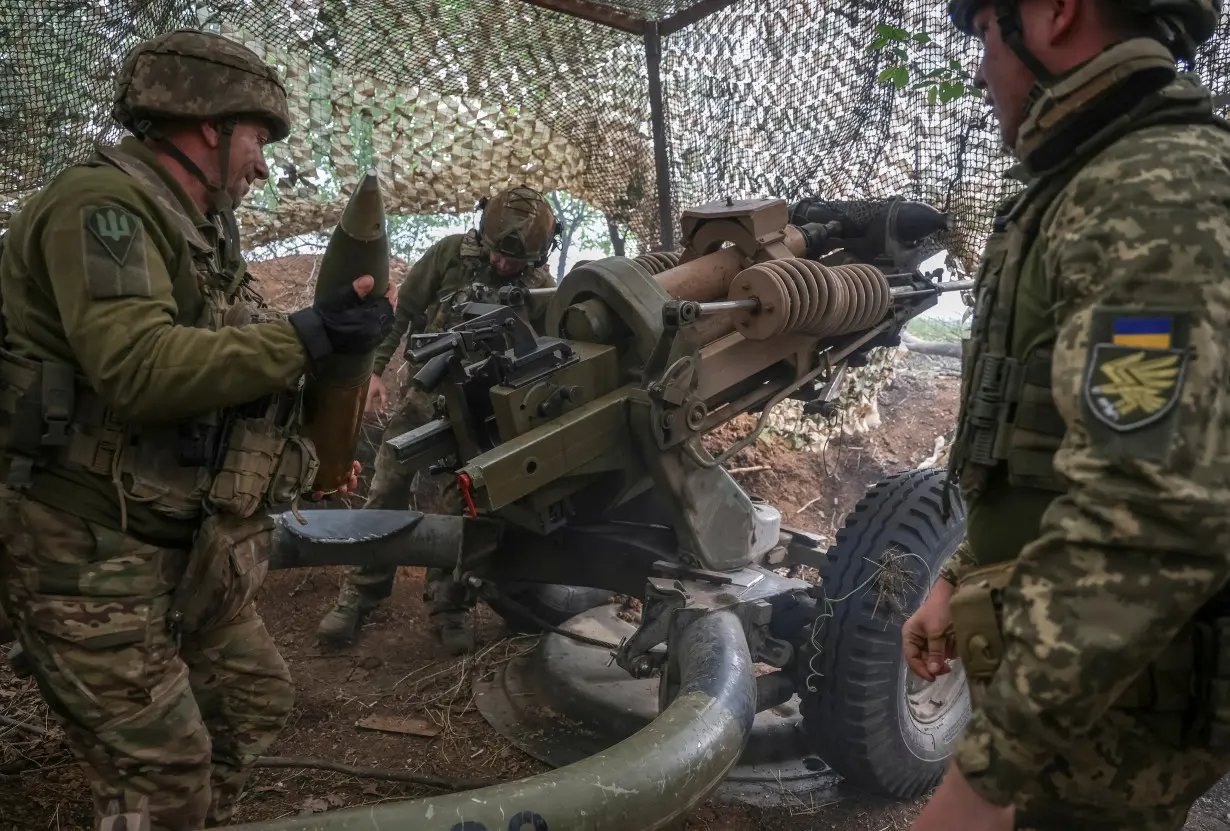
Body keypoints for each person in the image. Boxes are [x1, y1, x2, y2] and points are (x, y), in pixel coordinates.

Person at [0, 29, 393, 830]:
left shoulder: (202, 225)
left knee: (252, 702)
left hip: (179, 546)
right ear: (209, 125)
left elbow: (236, 353)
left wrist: (319, 420)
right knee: (168, 770)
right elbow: (140, 367)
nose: (263, 164)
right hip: (85, 552)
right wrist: (310, 335)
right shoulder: (101, 206)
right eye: (256, 139)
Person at [899, 0, 1230, 829]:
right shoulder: (1089, 184)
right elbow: (1046, 444)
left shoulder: (1154, 193)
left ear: (1052, 14)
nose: (979, 68)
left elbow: (1147, 509)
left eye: (982, 33)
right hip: (1076, 694)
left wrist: (985, 778)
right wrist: (959, 574)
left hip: (1113, 715)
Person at [316, 186, 560, 653]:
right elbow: (402, 312)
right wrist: (375, 373)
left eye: (519, 261)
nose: (506, 266)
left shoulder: (541, 287)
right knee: (387, 485)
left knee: (466, 503)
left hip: (486, 411)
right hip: (425, 397)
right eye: (498, 255)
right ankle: (360, 594)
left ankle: (451, 603)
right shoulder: (449, 255)